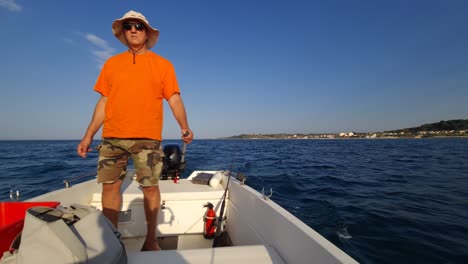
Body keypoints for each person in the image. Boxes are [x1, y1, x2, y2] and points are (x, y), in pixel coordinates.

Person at [77, 10, 193, 251]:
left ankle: (151, 241)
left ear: (147, 32)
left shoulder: (163, 65)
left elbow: (174, 99)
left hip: (147, 138)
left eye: (138, 26)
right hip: (112, 137)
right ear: (123, 31)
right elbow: (103, 103)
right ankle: (111, 242)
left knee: (150, 187)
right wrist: (88, 134)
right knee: (110, 187)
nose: (133, 29)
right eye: (128, 25)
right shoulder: (111, 64)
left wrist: (184, 127)